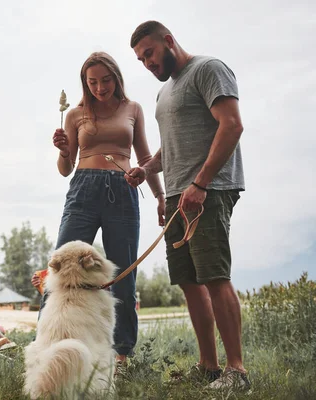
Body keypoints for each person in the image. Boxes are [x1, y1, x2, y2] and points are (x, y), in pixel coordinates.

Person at [127, 21, 249, 391]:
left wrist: (201, 183)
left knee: (214, 276)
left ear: (168, 41)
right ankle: (209, 367)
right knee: (189, 282)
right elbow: (171, 149)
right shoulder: (165, 94)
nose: (146, 63)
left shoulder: (208, 69)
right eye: (140, 59)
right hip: (179, 195)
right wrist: (146, 169)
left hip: (208, 191)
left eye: (149, 53)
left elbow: (232, 125)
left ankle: (237, 371)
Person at [48, 51, 165, 366]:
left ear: (116, 77)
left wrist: (159, 196)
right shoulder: (75, 114)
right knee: (61, 268)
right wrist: (62, 151)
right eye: (93, 82)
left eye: (106, 80)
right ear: (85, 83)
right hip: (83, 190)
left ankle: (121, 354)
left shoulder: (133, 109)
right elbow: (65, 169)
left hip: (124, 191)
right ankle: (52, 345)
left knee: (124, 275)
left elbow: (144, 156)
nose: (100, 87)